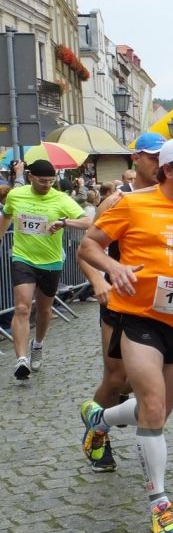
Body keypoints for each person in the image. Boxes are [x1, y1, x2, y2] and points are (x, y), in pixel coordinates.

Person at [77, 137, 173, 533]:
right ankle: (160, 504)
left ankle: (99, 420)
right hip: (140, 318)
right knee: (150, 403)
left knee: (158, 414)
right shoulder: (132, 204)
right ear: (169, 170)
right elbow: (89, 245)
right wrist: (113, 268)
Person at [77, 131, 166, 471]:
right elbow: (87, 249)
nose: (160, 164)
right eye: (153, 157)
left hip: (159, 304)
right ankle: (97, 434)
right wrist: (99, 280)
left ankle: (105, 413)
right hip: (120, 300)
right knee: (116, 378)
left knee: (139, 381)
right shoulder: (116, 200)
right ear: (136, 158)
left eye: (164, 159)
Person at [0, 160, 89, 380]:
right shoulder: (16, 195)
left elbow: (89, 221)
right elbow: (7, 215)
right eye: (42, 181)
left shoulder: (60, 199)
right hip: (22, 257)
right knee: (22, 307)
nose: (47, 185)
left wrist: (64, 222)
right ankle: (21, 359)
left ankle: (37, 344)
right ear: (30, 177)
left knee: (44, 310)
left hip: (51, 261)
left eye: (51, 181)